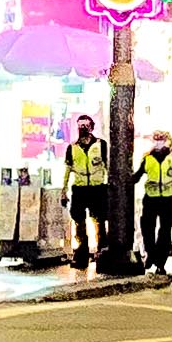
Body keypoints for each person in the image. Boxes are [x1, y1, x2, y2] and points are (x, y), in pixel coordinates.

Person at [63, 115, 110, 270]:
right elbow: (68, 170)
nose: (82, 128)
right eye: (80, 125)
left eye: (85, 125)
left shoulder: (101, 145)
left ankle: (102, 252)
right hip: (80, 189)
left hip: (97, 188)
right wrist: (64, 190)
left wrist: (110, 186)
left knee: (99, 221)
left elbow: (108, 166)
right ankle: (81, 254)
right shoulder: (72, 148)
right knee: (79, 223)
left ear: (91, 127)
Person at [139, 131, 172, 274]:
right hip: (151, 198)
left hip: (168, 198)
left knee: (165, 232)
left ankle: (160, 263)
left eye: (161, 140)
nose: (158, 143)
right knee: (147, 228)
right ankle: (150, 253)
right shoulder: (147, 157)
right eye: (156, 140)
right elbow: (138, 175)